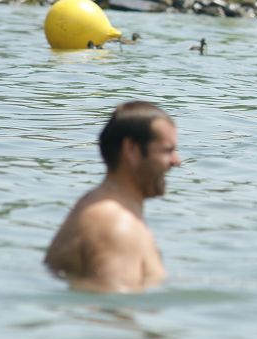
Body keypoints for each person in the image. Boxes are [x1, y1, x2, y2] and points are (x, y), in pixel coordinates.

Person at [44, 101, 181, 293]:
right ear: (131, 150)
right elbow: (111, 314)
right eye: (168, 150)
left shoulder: (102, 207)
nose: (177, 161)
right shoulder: (116, 225)